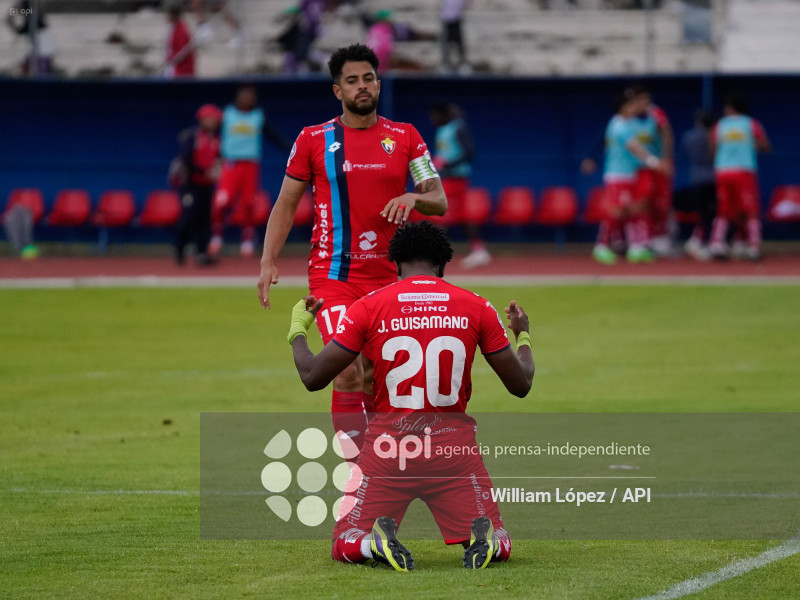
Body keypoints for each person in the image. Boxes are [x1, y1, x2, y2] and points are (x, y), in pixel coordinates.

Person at [286, 221, 534, 570]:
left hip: (389, 452)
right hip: (453, 454)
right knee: (501, 539)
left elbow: (312, 377)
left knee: (346, 541)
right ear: (443, 266)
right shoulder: (477, 306)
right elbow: (521, 384)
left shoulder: (369, 306)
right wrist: (523, 336)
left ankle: (373, 543)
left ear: (396, 264)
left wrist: (298, 328)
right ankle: (486, 540)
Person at [257, 44, 447, 453]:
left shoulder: (406, 137)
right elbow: (286, 203)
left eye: (368, 79)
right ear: (337, 91)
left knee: (379, 377)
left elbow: (439, 198)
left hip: (389, 278)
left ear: (378, 84)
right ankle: (360, 475)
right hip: (334, 276)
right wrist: (268, 259)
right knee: (346, 369)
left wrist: (415, 198)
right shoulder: (313, 140)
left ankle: (380, 463)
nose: (362, 86)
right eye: (352, 81)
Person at [210, 85, 292, 258]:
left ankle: (247, 240)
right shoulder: (227, 114)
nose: (247, 98)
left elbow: (274, 137)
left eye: (250, 95)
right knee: (222, 201)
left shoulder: (257, 116)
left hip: (250, 164)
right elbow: (211, 135)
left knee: (248, 203)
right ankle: (216, 237)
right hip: (230, 163)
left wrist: (293, 149)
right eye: (244, 94)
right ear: (237, 96)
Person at [591, 93, 669, 265]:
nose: (636, 108)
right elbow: (635, 148)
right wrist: (654, 162)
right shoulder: (619, 126)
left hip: (630, 174)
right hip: (619, 175)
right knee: (616, 211)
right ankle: (601, 247)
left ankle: (636, 248)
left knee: (633, 209)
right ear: (624, 108)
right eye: (632, 105)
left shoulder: (626, 124)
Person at [708, 95, 771, 261]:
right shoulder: (751, 124)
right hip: (744, 171)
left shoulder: (720, 125)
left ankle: (716, 244)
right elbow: (765, 146)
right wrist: (751, 144)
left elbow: (712, 149)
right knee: (750, 210)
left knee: (724, 210)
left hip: (723, 171)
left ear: (729, 107)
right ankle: (754, 247)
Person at [429, 102, 489, 268]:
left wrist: (449, 163)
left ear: (444, 115)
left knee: (438, 212)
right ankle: (479, 250)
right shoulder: (442, 130)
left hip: (457, 178)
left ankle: (435, 253)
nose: (433, 119)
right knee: (463, 215)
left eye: (435, 115)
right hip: (449, 178)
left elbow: (470, 151)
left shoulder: (457, 128)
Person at [628, 86, 675, 257]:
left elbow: (666, 133)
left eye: (647, 101)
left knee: (662, 203)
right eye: (641, 101)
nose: (645, 104)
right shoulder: (627, 118)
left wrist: (666, 159)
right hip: (639, 168)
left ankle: (661, 239)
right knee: (641, 203)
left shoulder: (655, 113)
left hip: (659, 166)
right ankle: (641, 240)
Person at [173, 104, 222, 266]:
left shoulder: (216, 139)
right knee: (188, 218)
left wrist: (217, 169)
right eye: (209, 119)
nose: (212, 122)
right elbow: (187, 160)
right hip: (190, 184)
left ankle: (202, 254)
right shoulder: (193, 136)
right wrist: (203, 172)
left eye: (215, 119)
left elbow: (219, 159)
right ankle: (179, 250)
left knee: (204, 220)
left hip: (207, 186)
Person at [678, 110, 717, 261]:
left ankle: (701, 242)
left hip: (697, 178)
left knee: (705, 214)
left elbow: (686, 151)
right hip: (712, 178)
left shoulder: (689, 136)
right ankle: (700, 242)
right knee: (710, 214)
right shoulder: (713, 136)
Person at [164, 5, 196, 78]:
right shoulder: (172, 28)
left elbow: (181, 51)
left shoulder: (182, 30)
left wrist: (171, 60)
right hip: (173, 67)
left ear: (173, 15)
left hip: (182, 70)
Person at [440, 0, 470, 73]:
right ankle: (445, 64)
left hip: (456, 20)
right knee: (447, 44)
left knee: (459, 43)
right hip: (447, 20)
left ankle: (462, 63)